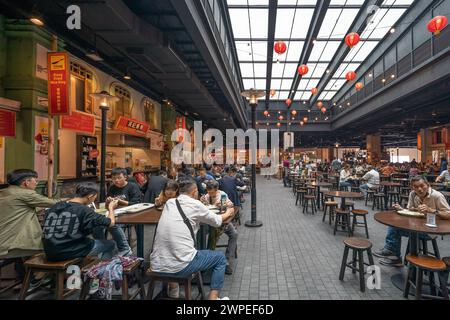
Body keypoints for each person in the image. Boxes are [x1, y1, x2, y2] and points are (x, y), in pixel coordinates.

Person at [149, 177, 233, 300]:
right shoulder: (195, 204)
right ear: (194, 192)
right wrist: (229, 212)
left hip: (156, 264)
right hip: (181, 266)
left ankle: (173, 291)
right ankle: (213, 298)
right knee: (220, 258)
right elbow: (217, 221)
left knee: (173, 247)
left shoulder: (170, 203)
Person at [373, 176, 450, 266]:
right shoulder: (413, 194)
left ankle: (393, 254)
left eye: (422, 186)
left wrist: (431, 210)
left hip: (431, 231)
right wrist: (401, 209)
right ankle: (393, 254)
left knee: (395, 229)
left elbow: (448, 214)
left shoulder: (436, 196)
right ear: (412, 187)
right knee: (394, 224)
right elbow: (411, 211)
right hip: (416, 226)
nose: (419, 189)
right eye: (416, 187)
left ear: (428, 185)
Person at [42, 183, 118, 261]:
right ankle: (99, 270)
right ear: (90, 196)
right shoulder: (83, 210)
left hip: (49, 252)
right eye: (95, 197)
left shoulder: (55, 206)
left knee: (90, 240)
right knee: (111, 244)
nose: (94, 200)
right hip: (69, 252)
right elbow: (111, 223)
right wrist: (111, 207)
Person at [0, 169, 57, 258]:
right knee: (49, 250)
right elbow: (55, 203)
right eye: (35, 180)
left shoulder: (4, 192)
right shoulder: (25, 194)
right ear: (26, 182)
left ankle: (21, 269)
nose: (37, 183)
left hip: (3, 241)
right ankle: (32, 270)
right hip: (8, 246)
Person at [95, 167, 137, 256]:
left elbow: (136, 204)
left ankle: (124, 248)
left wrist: (120, 201)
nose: (116, 180)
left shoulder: (132, 186)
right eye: (113, 178)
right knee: (96, 225)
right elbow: (107, 207)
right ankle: (104, 247)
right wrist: (108, 202)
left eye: (119, 178)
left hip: (128, 215)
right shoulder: (112, 188)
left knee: (113, 224)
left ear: (125, 177)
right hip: (114, 213)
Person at [200, 180, 237, 275]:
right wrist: (203, 201)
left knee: (234, 234)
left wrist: (221, 206)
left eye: (212, 192)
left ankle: (227, 261)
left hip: (221, 221)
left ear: (217, 190)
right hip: (209, 221)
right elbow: (204, 206)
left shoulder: (223, 195)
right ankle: (206, 259)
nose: (210, 194)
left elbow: (228, 207)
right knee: (206, 234)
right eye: (208, 191)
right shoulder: (207, 195)